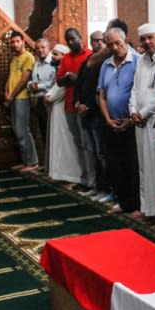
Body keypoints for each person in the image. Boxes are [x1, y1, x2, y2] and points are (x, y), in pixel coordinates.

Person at [128, 23, 155, 219]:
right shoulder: (140, 60)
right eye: (143, 39)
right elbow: (135, 89)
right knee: (144, 166)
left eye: (150, 38)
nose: (147, 42)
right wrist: (132, 111)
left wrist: (144, 112)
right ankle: (148, 209)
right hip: (139, 121)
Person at [97, 28, 140, 216]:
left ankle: (137, 204)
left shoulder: (138, 61)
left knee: (133, 165)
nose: (115, 47)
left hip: (132, 124)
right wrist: (107, 119)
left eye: (118, 43)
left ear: (125, 41)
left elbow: (140, 93)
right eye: (111, 44)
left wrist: (130, 120)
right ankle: (123, 202)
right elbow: (102, 95)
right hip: (111, 123)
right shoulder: (106, 64)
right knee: (115, 165)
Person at [56, 27, 94, 192]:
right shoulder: (65, 58)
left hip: (83, 106)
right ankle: (84, 178)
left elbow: (90, 82)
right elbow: (59, 80)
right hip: (69, 105)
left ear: (80, 37)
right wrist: (67, 78)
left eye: (73, 38)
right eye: (68, 40)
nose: (71, 42)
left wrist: (75, 78)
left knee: (88, 144)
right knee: (78, 144)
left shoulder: (90, 55)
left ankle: (92, 181)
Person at [75, 30, 110, 202]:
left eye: (101, 41)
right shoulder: (86, 62)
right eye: (94, 41)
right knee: (92, 153)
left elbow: (101, 91)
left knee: (102, 153)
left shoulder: (106, 63)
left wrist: (88, 105)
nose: (98, 44)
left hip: (97, 114)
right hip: (85, 114)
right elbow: (79, 85)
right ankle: (96, 186)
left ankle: (105, 188)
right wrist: (78, 103)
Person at [44, 44, 82, 184]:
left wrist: (48, 97)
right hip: (57, 111)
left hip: (63, 110)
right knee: (59, 143)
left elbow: (58, 92)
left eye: (55, 54)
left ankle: (71, 176)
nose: (52, 57)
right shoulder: (59, 70)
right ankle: (60, 174)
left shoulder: (66, 72)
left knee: (67, 143)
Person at [4, 31, 39, 172]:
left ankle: (32, 162)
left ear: (23, 41)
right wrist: (6, 92)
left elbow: (24, 80)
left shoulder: (28, 57)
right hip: (12, 97)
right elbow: (11, 77)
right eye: (12, 42)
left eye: (17, 41)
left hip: (22, 97)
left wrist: (11, 95)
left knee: (22, 130)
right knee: (16, 130)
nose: (15, 44)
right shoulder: (15, 58)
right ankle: (25, 161)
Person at [27, 38, 54, 144]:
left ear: (49, 48)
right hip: (38, 101)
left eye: (43, 47)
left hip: (50, 100)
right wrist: (30, 85)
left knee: (51, 130)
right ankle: (47, 158)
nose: (40, 50)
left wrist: (39, 86)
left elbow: (54, 83)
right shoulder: (36, 62)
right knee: (43, 130)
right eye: (37, 48)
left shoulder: (53, 62)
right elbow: (30, 80)